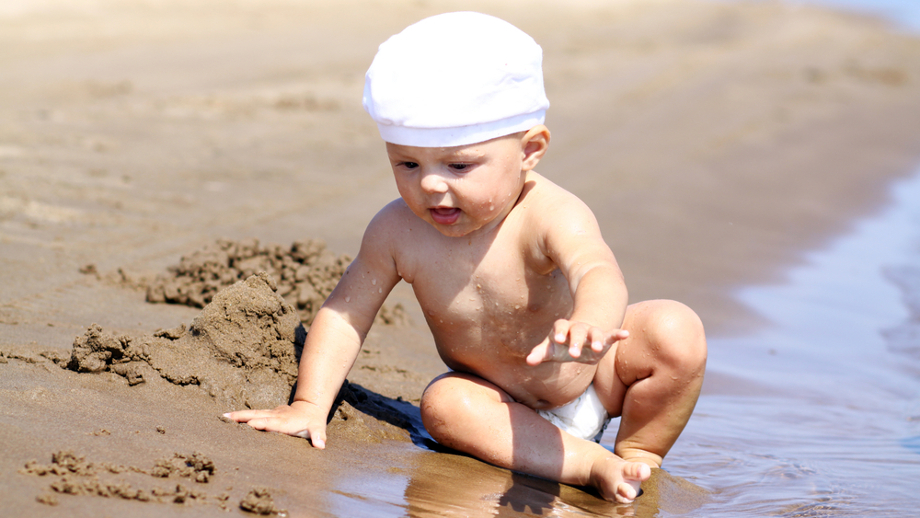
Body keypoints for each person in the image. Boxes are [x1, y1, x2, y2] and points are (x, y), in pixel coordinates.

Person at [225, 11, 706, 504]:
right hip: (495, 405)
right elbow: (346, 314)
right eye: (407, 164)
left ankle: (640, 452)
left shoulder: (548, 212)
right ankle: (588, 463)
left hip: (591, 378)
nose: (431, 184)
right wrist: (308, 404)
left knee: (674, 328)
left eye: (458, 165)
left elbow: (596, 269)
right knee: (443, 404)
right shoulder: (397, 232)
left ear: (530, 150)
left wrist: (591, 324)